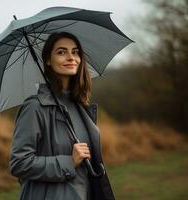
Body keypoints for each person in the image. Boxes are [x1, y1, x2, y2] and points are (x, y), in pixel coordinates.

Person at [9, 32, 115, 200]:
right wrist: (68, 162)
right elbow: (19, 164)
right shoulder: (35, 107)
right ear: (48, 61)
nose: (71, 57)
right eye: (61, 52)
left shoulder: (80, 105)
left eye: (75, 52)